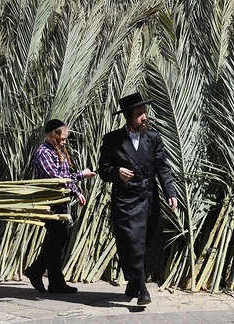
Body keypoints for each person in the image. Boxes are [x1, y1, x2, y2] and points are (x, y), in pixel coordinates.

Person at [98, 92, 178, 305]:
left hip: (149, 199)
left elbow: (162, 168)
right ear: (127, 116)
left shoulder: (153, 138)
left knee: (148, 243)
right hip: (125, 201)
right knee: (132, 243)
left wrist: (170, 193)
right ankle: (142, 288)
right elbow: (103, 170)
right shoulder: (112, 140)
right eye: (139, 114)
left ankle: (134, 283)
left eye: (144, 113)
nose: (144, 117)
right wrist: (117, 173)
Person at [24, 119, 97, 293]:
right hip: (49, 203)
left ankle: (56, 282)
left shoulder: (58, 151)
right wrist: (81, 175)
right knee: (59, 238)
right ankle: (35, 270)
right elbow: (57, 179)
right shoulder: (43, 153)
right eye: (62, 138)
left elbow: (65, 176)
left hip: (60, 201)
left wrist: (76, 192)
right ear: (51, 135)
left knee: (56, 239)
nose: (65, 142)